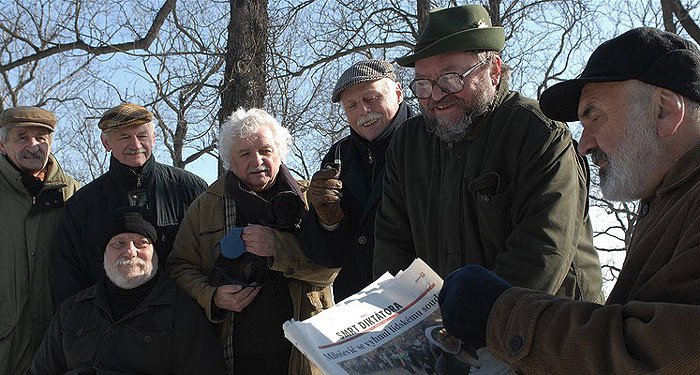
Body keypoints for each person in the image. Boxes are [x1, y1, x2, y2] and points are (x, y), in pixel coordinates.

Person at [438, 27, 700, 373]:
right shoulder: (668, 198)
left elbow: (663, 355)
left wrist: (501, 314)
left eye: (593, 116)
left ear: (665, 110)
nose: (584, 144)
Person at [372, 4, 603, 302]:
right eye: (424, 85)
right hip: (451, 329)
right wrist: (403, 319)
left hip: (552, 329)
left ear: (493, 71)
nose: (437, 95)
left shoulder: (537, 132)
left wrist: (469, 323)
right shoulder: (407, 145)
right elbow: (392, 246)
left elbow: (541, 253)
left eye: (450, 78)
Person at [167, 108, 338, 375]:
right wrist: (213, 297)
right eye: (245, 154)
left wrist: (277, 248)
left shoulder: (310, 198)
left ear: (280, 152)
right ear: (229, 161)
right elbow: (179, 267)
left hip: (303, 353)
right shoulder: (206, 205)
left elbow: (332, 266)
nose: (257, 160)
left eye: (265, 151)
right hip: (232, 354)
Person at [30, 207, 225, 374]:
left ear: (155, 253)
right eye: (118, 244)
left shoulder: (183, 312)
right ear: (104, 254)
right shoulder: (72, 311)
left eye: (142, 243)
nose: (130, 251)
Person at [51, 102, 208, 306]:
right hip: (109, 325)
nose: (135, 145)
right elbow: (68, 277)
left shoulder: (190, 190)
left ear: (154, 138)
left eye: (142, 135)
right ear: (106, 143)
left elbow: (208, 256)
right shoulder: (83, 205)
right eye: (124, 137)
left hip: (180, 320)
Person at [301, 59, 417, 301]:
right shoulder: (338, 156)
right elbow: (327, 259)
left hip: (419, 297)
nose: (363, 111)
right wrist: (326, 222)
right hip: (358, 305)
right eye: (351, 105)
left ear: (398, 92)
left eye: (370, 98)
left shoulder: (427, 142)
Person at [0, 106, 79, 375]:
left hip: (57, 347)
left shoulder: (74, 193)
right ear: (2, 144)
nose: (33, 145)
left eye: (41, 137)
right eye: (22, 137)